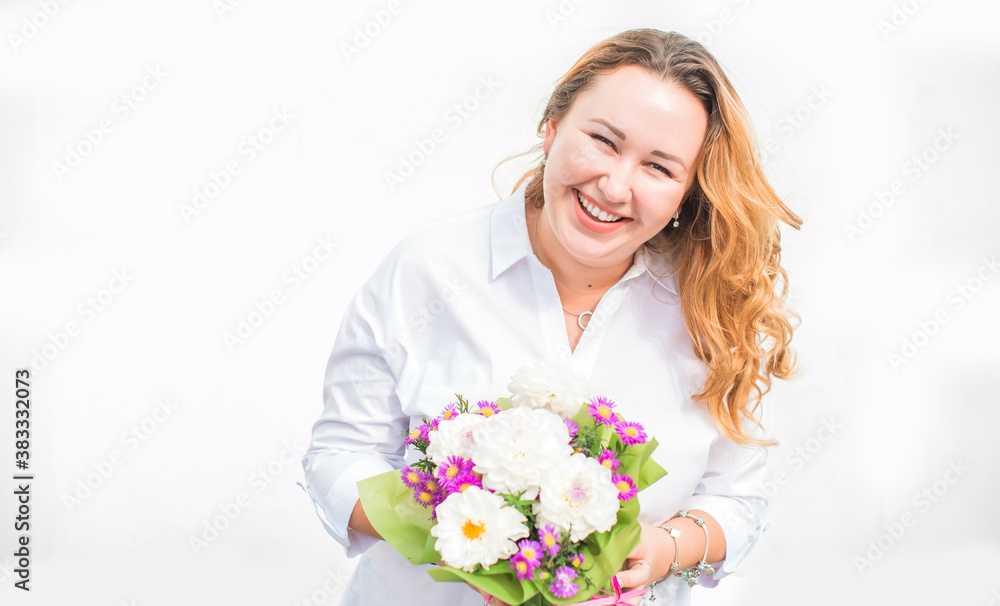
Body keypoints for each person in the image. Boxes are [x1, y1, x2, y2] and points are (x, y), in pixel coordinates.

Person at [300, 28, 801, 606]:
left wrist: (663, 549)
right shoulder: (427, 269)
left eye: (659, 168)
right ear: (553, 127)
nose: (615, 186)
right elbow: (338, 456)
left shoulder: (708, 309)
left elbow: (736, 503)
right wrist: (465, 530)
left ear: (687, 193)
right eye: (603, 141)